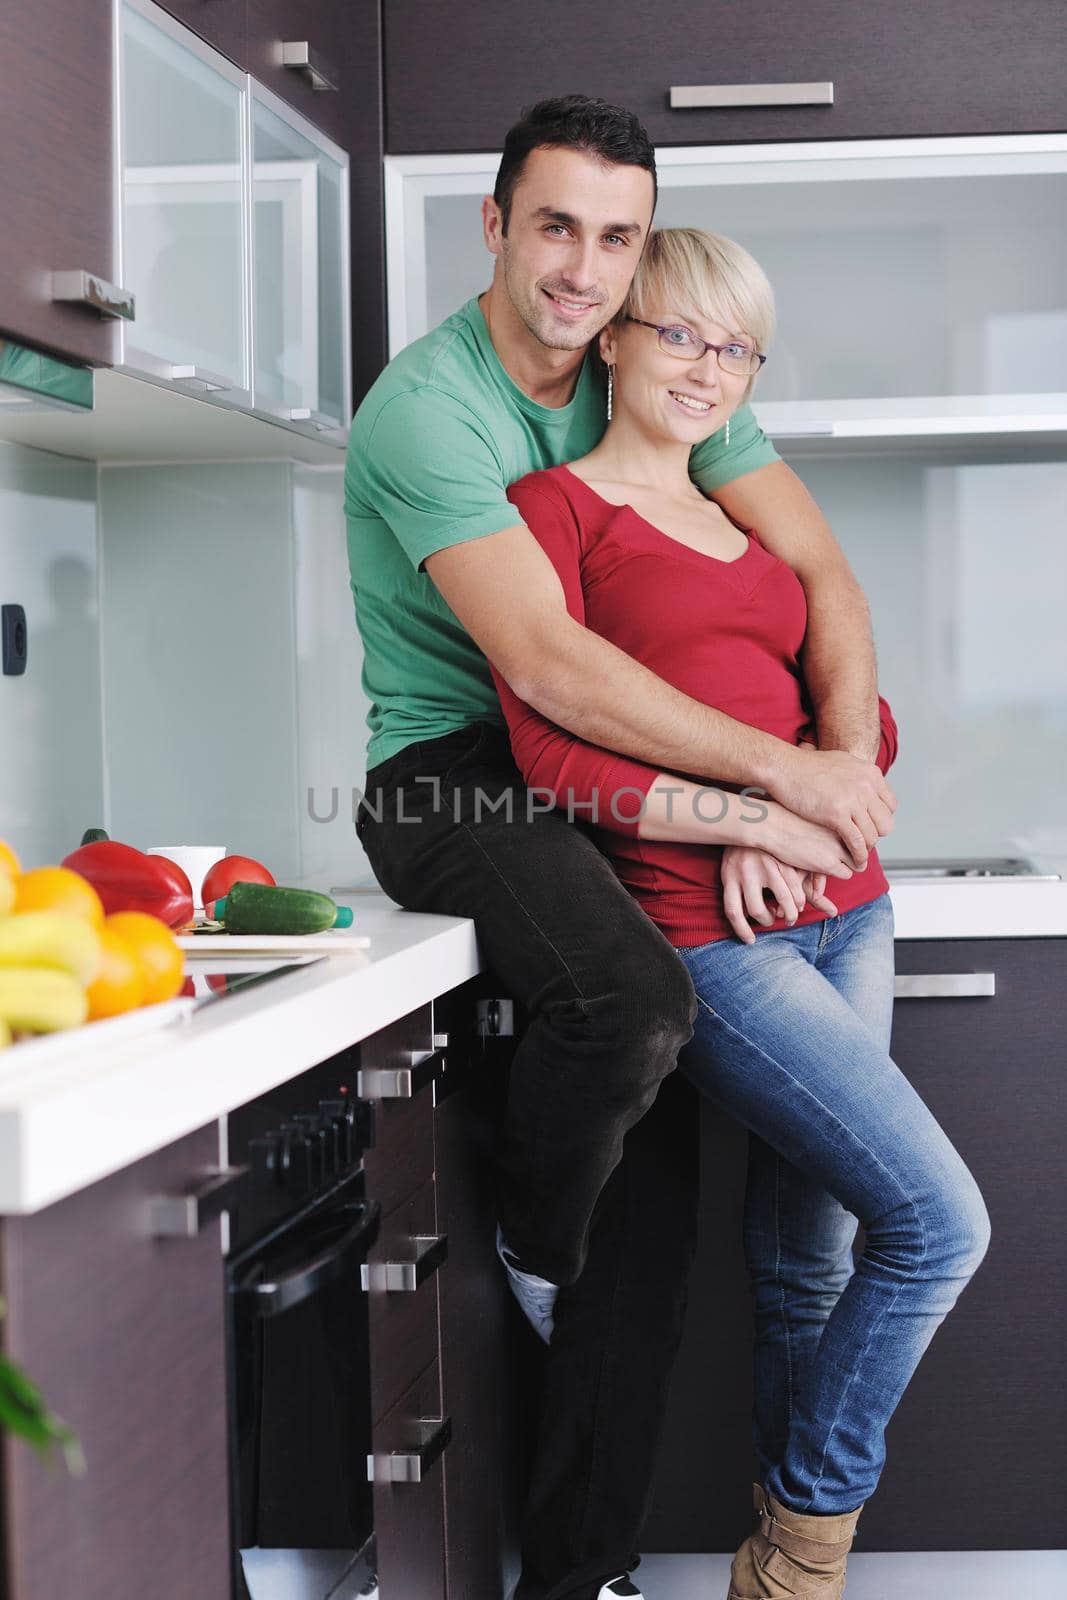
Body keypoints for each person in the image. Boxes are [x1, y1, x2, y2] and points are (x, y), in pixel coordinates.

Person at [346, 94, 896, 1600]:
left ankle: (577, 1572)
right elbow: (550, 674)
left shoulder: (650, 362)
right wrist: (771, 785)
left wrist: (836, 772)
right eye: (556, 228)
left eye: (617, 237)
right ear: (497, 227)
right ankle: (529, 1233)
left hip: (640, 769)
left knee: (643, 1228)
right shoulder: (430, 411)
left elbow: (820, 572)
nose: (584, 268)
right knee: (636, 1009)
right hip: (456, 770)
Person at [487, 224, 991, 1598]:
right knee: (939, 1226)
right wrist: (741, 826)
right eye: (684, 333)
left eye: (739, 345)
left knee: (810, 1269)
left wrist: (832, 785)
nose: (713, 369)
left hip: (851, 911)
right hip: (706, 937)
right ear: (615, 337)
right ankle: (806, 1554)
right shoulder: (556, 514)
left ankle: (775, 1579)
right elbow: (556, 757)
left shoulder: (749, 513)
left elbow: (862, 717)